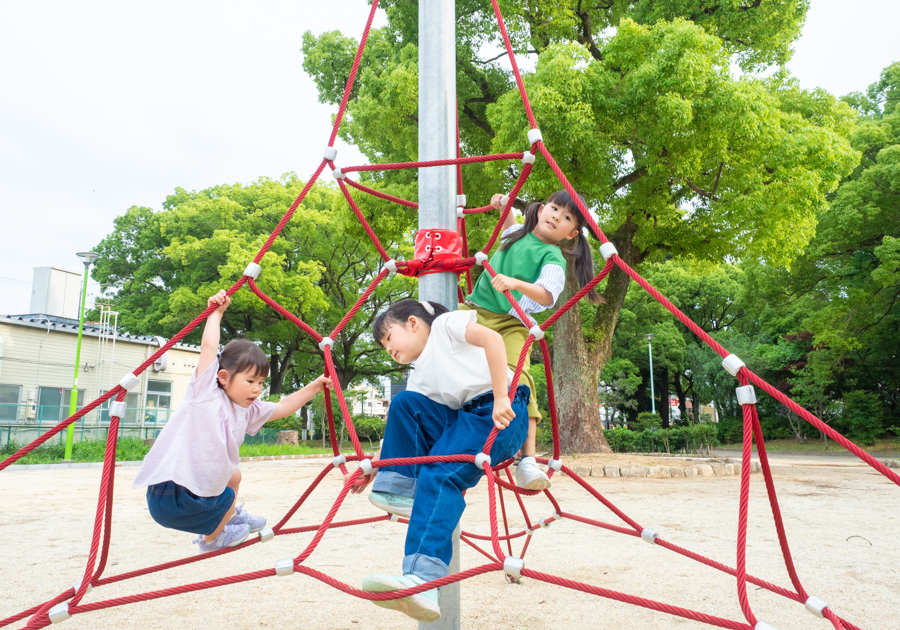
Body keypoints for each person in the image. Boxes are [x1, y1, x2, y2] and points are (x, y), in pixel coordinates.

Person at [353, 299, 530, 622]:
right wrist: (375, 466)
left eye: (388, 339)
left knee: (440, 472)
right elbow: (410, 422)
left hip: (500, 412)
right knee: (404, 403)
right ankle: (401, 491)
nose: (387, 350)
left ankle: (423, 581)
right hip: (465, 419)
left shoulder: (446, 327)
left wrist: (502, 396)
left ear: (412, 323)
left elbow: (493, 339)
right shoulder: (420, 374)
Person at [133, 290, 331, 554]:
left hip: (189, 496)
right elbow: (209, 348)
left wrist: (314, 387)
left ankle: (228, 516)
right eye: (250, 381)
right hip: (171, 494)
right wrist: (216, 313)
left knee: (234, 474)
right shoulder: (205, 392)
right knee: (227, 492)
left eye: (260, 382)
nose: (257, 389)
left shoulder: (247, 410)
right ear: (224, 377)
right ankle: (212, 539)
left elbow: (283, 407)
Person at [463, 189, 602, 489]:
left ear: (571, 234)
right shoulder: (515, 234)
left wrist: (515, 283)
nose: (556, 217)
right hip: (475, 311)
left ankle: (526, 460)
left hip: (513, 323)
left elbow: (548, 294)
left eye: (566, 217)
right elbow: (507, 220)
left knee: (519, 379)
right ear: (540, 210)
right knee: (439, 327)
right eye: (554, 208)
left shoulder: (552, 255)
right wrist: (503, 203)